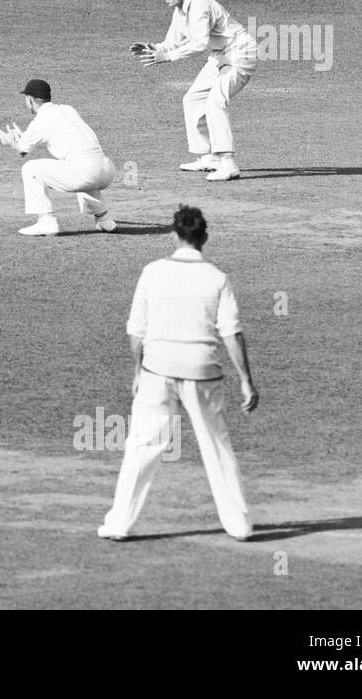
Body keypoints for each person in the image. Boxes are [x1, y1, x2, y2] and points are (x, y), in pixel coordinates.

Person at [98, 204, 260, 541]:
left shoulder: (152, 271)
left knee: (142, 446)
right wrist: (246, 380)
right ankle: (240, 525)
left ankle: (118, 526)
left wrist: (138, 371)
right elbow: (231, 333)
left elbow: (136, 331)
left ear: (174, 235)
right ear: (205, 238)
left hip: (157, 369)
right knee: (217, 447)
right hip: (203, 372)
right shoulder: (217, 278)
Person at [130, 0, 258, 181]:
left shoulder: (200, 5)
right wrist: (153, 48)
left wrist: (167, 57)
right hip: (220, 55)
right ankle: (209, 157)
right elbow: (172, 42)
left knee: (216, 101)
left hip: (240, 53)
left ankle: (228, 163)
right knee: (193, 99)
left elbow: (198, 44)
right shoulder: (179, 12)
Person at [0, 79, 118, 236]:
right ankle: (104, 220)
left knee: (30, 169)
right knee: (77, 168)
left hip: (86, 173)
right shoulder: (68, 110)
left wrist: (10, 141)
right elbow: (58, 133)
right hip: (106, 170)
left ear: (30, 99)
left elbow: (22, 151)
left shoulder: (40, 121)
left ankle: (46, 221)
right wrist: (22, 137)